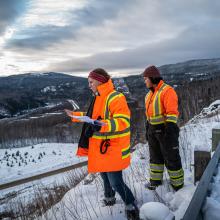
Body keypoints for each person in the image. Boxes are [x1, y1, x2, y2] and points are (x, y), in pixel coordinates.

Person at [65, 68, 139, 220]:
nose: (89, 85)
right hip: (102, 148)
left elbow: (123, 121)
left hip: (113, 148)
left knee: (116, 182)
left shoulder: (115, 97)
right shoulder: (98, 97)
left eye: (91, 82)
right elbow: (91, 117)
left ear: (100, 81)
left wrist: (102, 124)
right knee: (104, 176)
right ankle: (109, 198)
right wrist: (76, 116)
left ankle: (131, 204)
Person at [142, 65, 184, 191]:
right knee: (155, 158)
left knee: (171, 157)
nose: (145, 81)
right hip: (152, 130)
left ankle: (178, 185)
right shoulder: (148, 95)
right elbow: (149, 115)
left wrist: (170, 130)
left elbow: (172, 112)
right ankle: (155, 182)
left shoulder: (167, 90)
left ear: (153, 78)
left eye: (146, 79)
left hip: (166, 130)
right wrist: (147, 129)